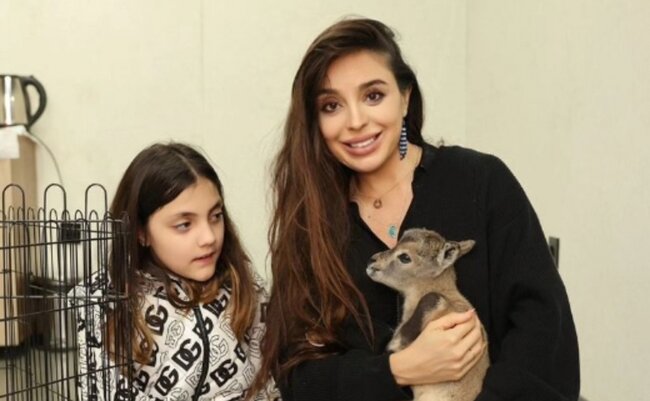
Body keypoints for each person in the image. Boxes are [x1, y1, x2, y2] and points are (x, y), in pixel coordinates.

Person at [254, 18, 580, 401]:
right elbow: (298, 375)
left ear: (405, 97)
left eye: (373, 95)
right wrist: (398, 370)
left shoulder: (480, 181)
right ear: (315, 122)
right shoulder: (310, 225)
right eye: (332, 106)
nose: (356, 121)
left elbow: (543, 333)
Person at [73, 143, 279, 401]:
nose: (209, 237)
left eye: (215, 216)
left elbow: (268, 383)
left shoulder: (243, 282)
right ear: (141, 232)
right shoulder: (106, 301)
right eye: (184, 225)